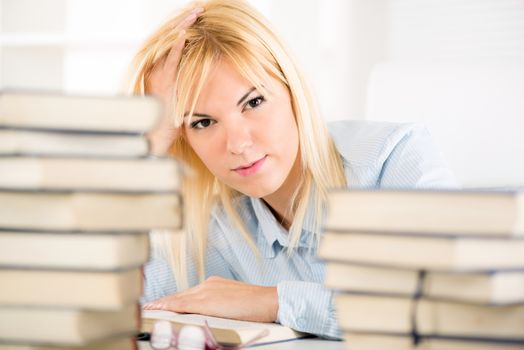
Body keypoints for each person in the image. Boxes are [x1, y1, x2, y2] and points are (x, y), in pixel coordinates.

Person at [130, 0, 458, 339]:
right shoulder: (221, 225)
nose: (237, 144)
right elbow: (101, 299)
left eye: (253, 102)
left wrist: (272, 302)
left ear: (292, 88)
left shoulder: (392, 160)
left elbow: (455, 308)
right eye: (203, 122)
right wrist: (149, 147)